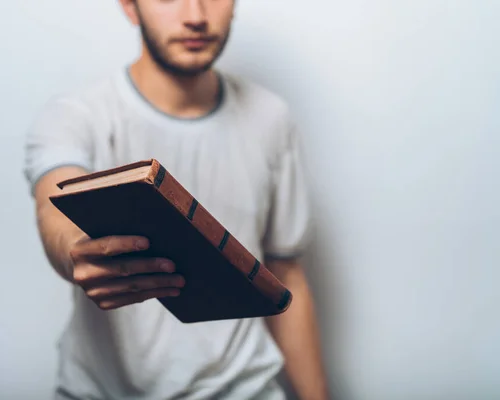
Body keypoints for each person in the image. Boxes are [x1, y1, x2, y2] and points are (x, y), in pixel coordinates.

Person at [24, 1, 328, 399]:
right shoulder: (76, 115)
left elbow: (286, 274)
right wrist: (75, 252)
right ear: (130, 8)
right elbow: (54, 204)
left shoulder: (271, 117)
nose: (196, 16)